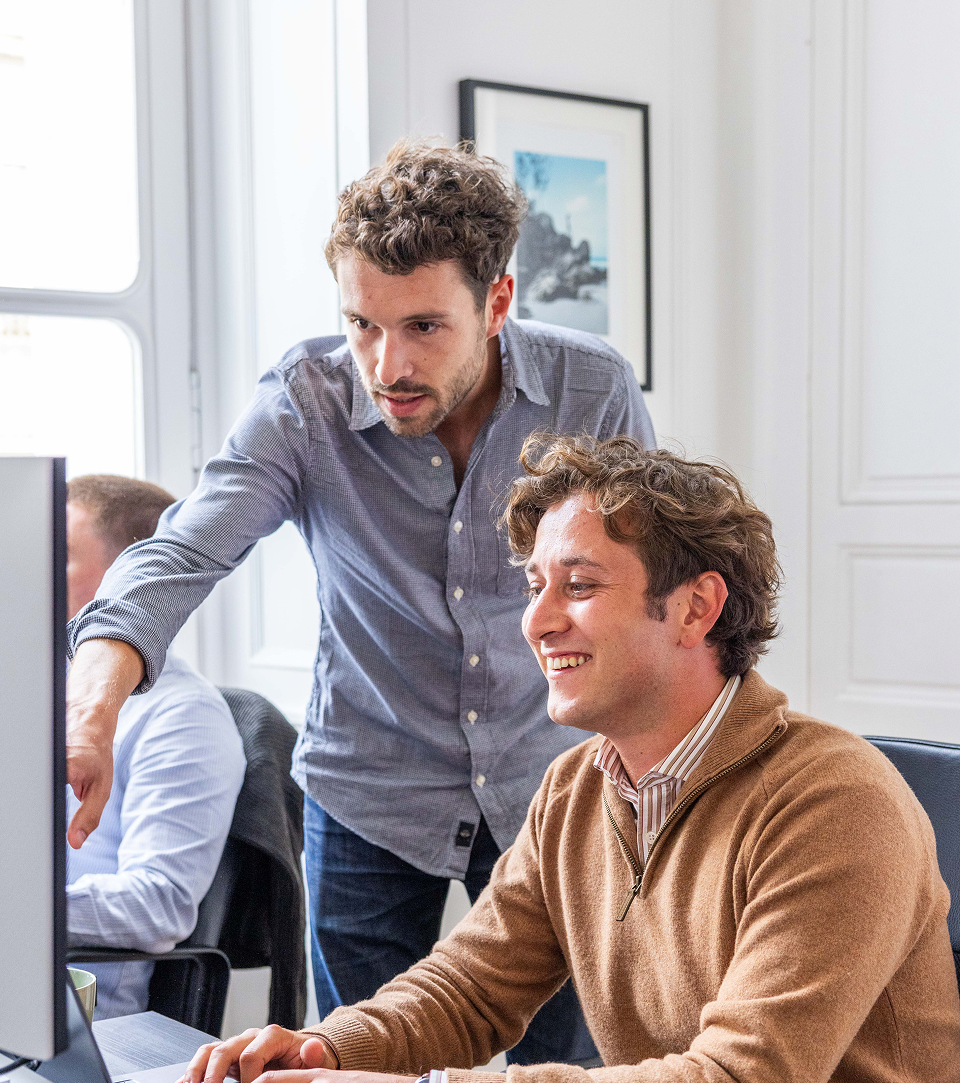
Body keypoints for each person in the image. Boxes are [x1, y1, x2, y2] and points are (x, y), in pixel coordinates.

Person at [64, 141, 654, 1061]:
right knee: (351, 1063)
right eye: (362, 325)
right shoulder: (306, 401)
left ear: (497, 301)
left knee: (572, 1065)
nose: (388, 365)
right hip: (370, 794)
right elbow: (184, 548)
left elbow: (645, 581)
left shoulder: (592, 388)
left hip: (556, 782)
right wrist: (94, 701)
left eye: (424, 326)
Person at [183, 434, 960, 1083]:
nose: (536, 621)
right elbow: (468, 989)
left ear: (695, 608)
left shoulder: (837, 801)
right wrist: (323, 1048)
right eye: (535, 586)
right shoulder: (576, 786)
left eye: (579, 585)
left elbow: (740, 1075)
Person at [65, 475, 246, 1019]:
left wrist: (19, 910)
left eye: (62, 554)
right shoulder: (38, 690)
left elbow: (157, 904)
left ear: (130, 579)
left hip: (79, 1017)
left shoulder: (183, 714)